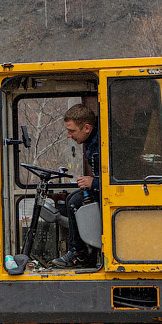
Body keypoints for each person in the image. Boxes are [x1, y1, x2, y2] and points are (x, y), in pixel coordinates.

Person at [55, 104, 101, 269]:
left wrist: (94, 183)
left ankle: (80, 253)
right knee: (72, 198)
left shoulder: (105, 143)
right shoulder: (92, 142)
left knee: (77, 201)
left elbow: (121, 179)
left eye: (72, 131)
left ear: (87, 128)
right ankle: (81, 251)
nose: (68, 135)